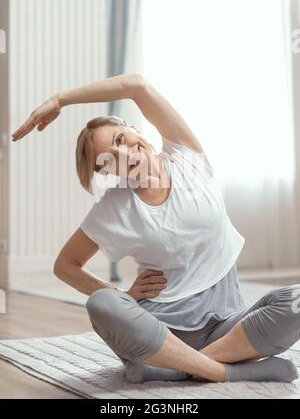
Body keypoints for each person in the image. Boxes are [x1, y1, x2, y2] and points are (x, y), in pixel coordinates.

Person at [12, 73, 300, 383]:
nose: (124, 153)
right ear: (108, 171)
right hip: (159, 333)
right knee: (101, 303)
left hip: (227, 328)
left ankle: (179, 368)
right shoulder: (114, 208)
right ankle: (222, 371)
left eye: (121, 139)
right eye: (109, 159)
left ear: (135, 130)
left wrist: (59, 100)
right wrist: (121, 294)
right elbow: (65, 266)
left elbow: (136, 85)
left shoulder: (187, 157)